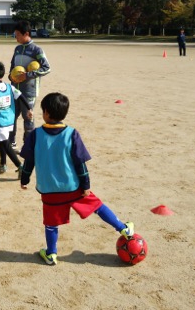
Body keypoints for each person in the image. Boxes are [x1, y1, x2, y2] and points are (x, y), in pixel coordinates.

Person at [19, 93, 135, 266]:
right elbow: (80, 164)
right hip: (73, 187)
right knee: (98, 206)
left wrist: (25, 178)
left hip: (49, 190)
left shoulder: (36, 135)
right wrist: (86, 185)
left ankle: (51, 254)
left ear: (46, 113)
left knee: (51, 222)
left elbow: (29, 161)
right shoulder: (72, 134)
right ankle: (124, 229)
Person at [9, 20, 50, 150]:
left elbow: (47, 68)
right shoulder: (17, 49)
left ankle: (28, 146)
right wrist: (11, 77)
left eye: (18, 35)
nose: (16, 37)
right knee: (11, 117)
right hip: (15, 90)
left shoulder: (36, 50)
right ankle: (11, 142)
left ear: (26, 33)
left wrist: (27, 75)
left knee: (28, 120)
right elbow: (12, 67)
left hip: (29, 92)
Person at [0, 61, 32, 174]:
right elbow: (21, 96)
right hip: (9, 120)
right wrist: (29, 109)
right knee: (1, 141)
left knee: (5, 144)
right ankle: (2, 164)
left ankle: (20, 165)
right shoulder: (9, 87)